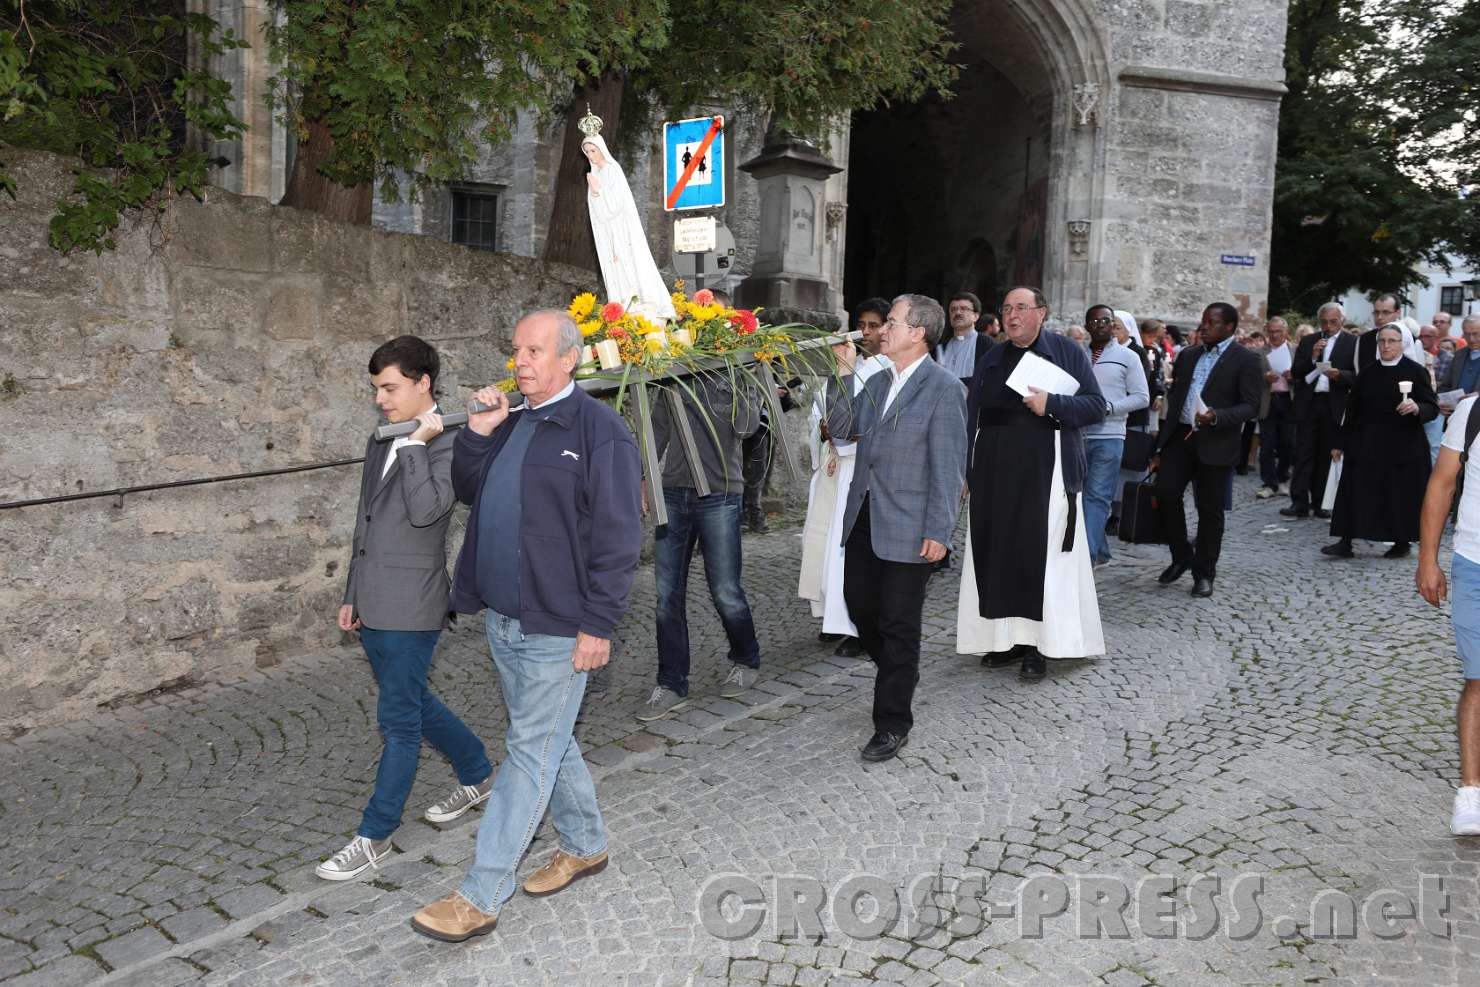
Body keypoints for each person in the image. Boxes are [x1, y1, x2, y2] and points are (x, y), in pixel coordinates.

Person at [410, 310, 643, 942]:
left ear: (569, 359)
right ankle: (586, 844)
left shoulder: (600, 432)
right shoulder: (509, 420)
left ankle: (481, 893)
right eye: (517, 350)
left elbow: (621, 538)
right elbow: (467, 490)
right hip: (505, 619)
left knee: (527, 752)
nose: (521, 362)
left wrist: (598, 625)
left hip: (562, 625)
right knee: (547, 741)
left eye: (534, 351)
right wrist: (480, 434)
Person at [317, 336, 494, 882]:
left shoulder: (450, 441)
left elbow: (428, 511)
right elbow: (364, 522)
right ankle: (478, 773)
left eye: (390, 388)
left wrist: (418, 443)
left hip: (413, 604)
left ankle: (374, 836)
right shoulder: (383, 437)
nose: (380, 399)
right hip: (373, 598)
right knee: (412, 700)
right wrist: (352, 591)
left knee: (398, 720)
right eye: (375, 389)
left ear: (423, 383)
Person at [824, 294, 967, 761]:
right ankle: (900, 671)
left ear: (917, 333)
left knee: (899, 624)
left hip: (911, 524)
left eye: (892, 322)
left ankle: (892, 721)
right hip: (863, 516)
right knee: (861, 608)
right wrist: (843, 375)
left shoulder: (944, 388)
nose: (882, 330)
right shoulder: (878, 380)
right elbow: (842, 429)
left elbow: (948, 468)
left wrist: (939, 532)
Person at [958, 287, 1107, 680]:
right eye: (1006, 308)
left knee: (1039, 556)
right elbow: (973, 416)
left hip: (1048, 468)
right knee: (999, 554)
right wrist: (964, 470)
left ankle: (1043, 646)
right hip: (993, 471)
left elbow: (1095, 405)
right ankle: (1007, 640)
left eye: (1021, 308)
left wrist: (1053, 404)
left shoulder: (1067, 351)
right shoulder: (991, 357)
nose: (1011, 315)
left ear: (1042, 312)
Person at [640, 363, 764, 721]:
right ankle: (671, 681)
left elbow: (747, 427)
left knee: (725, 590)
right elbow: (657, 429)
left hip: (721, 494)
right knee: (666, 595)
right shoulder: (670, 373)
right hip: (674, 493)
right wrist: (644, 477)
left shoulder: (737, 374)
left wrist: (749, 378)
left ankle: (745, 658)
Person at [1153, 302, 1263, 598]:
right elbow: (1176, 402)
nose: (1204, 327)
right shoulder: (1188, 355)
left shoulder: (1246, 360)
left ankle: (1204, 573)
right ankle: (1181, 555)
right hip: (1181, 438)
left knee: (1210, 510)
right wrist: (1160, 445)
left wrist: (1217, 416)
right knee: (1164, 493)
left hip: (1217, 443)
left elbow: (1251, 406)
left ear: (1229, 327)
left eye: (1211, 322)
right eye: (1203, 321)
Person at [799, 337, 889, 658]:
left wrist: (841, 431)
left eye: (874, 326)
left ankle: (856, 625)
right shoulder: (835, 374)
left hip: (856, 472)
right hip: (832, 469)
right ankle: (833, 617)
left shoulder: (884, 372)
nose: (865, 333)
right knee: (823, 547)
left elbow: (862, 425)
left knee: (848, 553)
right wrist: (822, 429)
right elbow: (819, 416)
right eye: (861, 325)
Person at [1417, 394, 1480, 836]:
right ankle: (1471, 793)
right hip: (1475, 561)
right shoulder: (1472, 411)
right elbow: (1442, 484)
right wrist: (1428, 558)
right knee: (1479, 679)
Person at [1323, 325, 1437, 558]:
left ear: (1402, 343)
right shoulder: (1367, 372)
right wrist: (1339, 442)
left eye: (1392, 341)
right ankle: (1345, 541)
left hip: (1402, 444)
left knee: (1398, 494)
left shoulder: (1415, 371)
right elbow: (1352, 410)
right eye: (1382, 341)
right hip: (1366, 442)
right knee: (1354, 490)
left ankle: (1401, 541)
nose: (1386, 346)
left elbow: (1431, 406)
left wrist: (1416, 407)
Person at [580, 131, 676, 322]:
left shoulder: (612, 170)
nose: (591, 155)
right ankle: (624, 304)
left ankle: (640, 300)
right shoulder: (594, 173)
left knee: (630, 263)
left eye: (593, 150)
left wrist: (598, 190)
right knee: (616, 268)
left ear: (602, 150)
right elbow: (596, 210)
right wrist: (595, 193)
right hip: (608, 232)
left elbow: (616, 204)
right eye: (587, 152)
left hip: (622, 230)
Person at [1081, 305, 1148, 567]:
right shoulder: (1077, 355)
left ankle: (1084, 560)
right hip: (1077, 436)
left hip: (1110, 436)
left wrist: (1110, 408)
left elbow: (1142, 398)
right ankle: (1102, 553)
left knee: (1097, 496)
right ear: (1087, 325)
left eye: (1105, 321)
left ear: (1113, 325)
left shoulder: (1128, 356)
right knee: (1080, 496)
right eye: (1094, 320)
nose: (1099, 324)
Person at [1284, 302, 1357, 519]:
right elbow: (1296, 372)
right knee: (1303, 452)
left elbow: (1358, 375)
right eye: (1324, 322)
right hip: (1309, 402)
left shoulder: (1352, 343)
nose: (1328, 326)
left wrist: (1339, 375)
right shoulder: (1308, 340)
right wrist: (1313, 357)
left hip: (1334, 402)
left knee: (1327, 453)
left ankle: (1320, 502)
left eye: (1333, 321)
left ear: (1342, 321)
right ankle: (1299, 502)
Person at [1256, 317, 1297, 498]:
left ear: (1285, 332)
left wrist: (1292, 377)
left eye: (1278, 331)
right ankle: (1269, 483)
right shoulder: (1259, 353)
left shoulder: (1295, 351)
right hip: (1268, 400)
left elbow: (1304, 377)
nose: (1274, 335)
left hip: (1289, 400)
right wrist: (1264, 378)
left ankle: (1282, 478)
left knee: (1288, 443)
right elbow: (1250, 378)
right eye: (1271, 331)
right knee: (1267, 445)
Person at [933, 291, 994, 385]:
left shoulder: (987, 344)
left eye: (964, 309)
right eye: (953, 309)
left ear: (976, 316)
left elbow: (989, 379)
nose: (957, 313)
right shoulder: (941, 347)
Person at [1354, 292, 1423, 371]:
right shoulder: (1363, 340)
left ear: (1398, 313)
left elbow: (1419, 373)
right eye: (1376, 312)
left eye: (1385, 312)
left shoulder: (1413, 341)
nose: (1379, 317)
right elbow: (1358, 370)